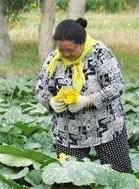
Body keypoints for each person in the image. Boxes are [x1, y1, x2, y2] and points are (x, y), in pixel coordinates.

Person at [35, 18, 132, 173]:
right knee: (68, 179)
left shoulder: (100, 54)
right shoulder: (53, 60)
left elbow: (116, 87)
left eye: (70, 50)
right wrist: (50, 101)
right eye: (61, 49)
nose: (66, 54)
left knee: (120, 174)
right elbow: (40, 89)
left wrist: (87, 100)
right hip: (68, 133)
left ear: (82, 43)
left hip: (106, 128)